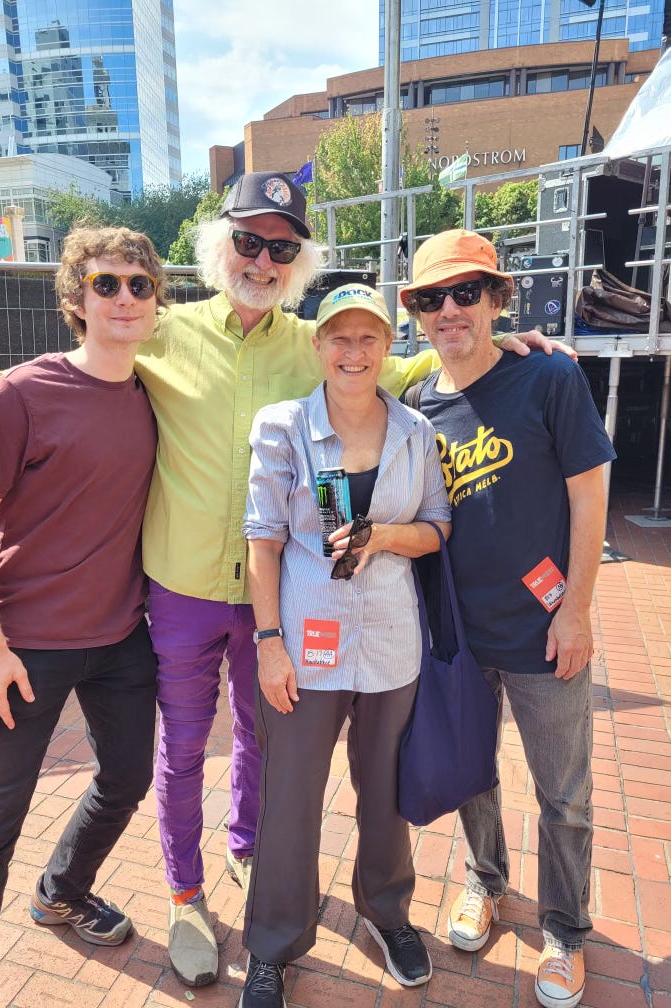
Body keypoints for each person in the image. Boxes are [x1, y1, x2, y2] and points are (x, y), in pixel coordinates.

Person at [0, 172, 570, 989]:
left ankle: (251, 857)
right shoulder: (163, 327)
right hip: (178, 587)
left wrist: (497, 348)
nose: (263, 259)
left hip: (279, 604)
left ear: (297, 262)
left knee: (262, 746)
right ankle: (184, 891)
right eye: (250, 240)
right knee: (179, 755)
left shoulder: (312, 345)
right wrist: (0, 384)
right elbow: (91, 350)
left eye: (282, 247)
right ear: (223, 244)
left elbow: (401, 362)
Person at [0, 226, 166, 1008]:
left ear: (157, 300)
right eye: (106, 284)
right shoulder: (20, 394)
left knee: (128, 777)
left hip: (123, 639)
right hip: (23, 647)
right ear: (75, 299)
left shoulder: (153, 391)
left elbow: (87, 421)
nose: (124, 296)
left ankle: (61, 890)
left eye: (139, 283)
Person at [401, 229, 616, 1008]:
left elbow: (590, 496)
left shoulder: (548, 380)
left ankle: (564, 929)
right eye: (431, 298)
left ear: (497, 299)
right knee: (473, 773)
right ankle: (486, 883)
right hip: (458, 633)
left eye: (466, 293)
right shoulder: (418, 401)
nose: (449, 310)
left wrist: (578, 610)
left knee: (563, 793)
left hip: (544, 628)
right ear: (418, 314)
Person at [238, 284, 451, 1008]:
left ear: (389, 346)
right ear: (317, 345)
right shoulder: (282, 427)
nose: (353, 352)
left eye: (368, 338)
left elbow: (437, 528)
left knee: (385, 794)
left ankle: (386, 912)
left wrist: (384, 536)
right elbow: (262, 542)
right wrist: (270, 643)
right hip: (305, 645)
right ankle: (273, 943)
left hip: (391, 645)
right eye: (339, 337)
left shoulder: (416, 433)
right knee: (290, 798)